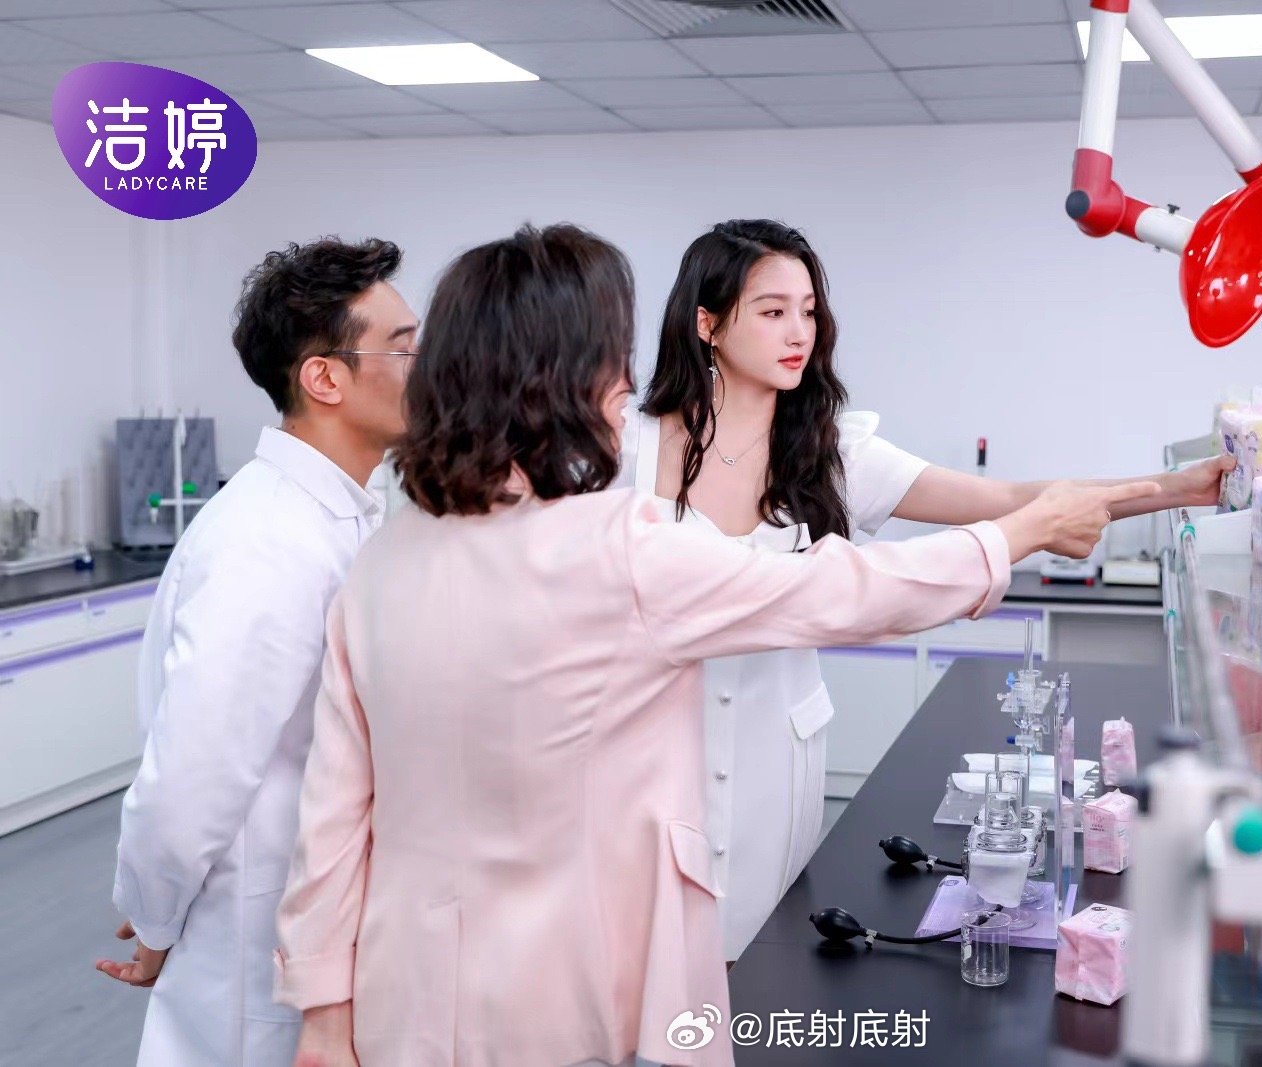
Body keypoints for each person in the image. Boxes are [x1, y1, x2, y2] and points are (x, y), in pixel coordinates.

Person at [274, 223, 1159, 1067]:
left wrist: (324, 1014)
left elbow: (335, 813)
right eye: (608, 355)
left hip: (405, 996)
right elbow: (842, 591)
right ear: (560, 377)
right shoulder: (618, 549)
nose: (624, 379)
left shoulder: (384, 560)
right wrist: (1021, 532)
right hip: (567, 1001)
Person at [626, 218, 1233, 960]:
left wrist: (1177, 488)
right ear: (707, 323)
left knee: (764, 959)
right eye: (773, 310)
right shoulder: (631, 449)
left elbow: (1008, 499)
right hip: (658, 757)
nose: (799, 332)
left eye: (809, 311)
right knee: (655, 957)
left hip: (775, 760)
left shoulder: (829, 451)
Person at [98, 238, 418, 1067]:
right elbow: (191, 775)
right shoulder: (268, 539)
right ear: (325, 378)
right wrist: (155, 917)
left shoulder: (339, 513)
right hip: (252, 935)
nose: (426, 367)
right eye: (403, 347)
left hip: (312, 916)